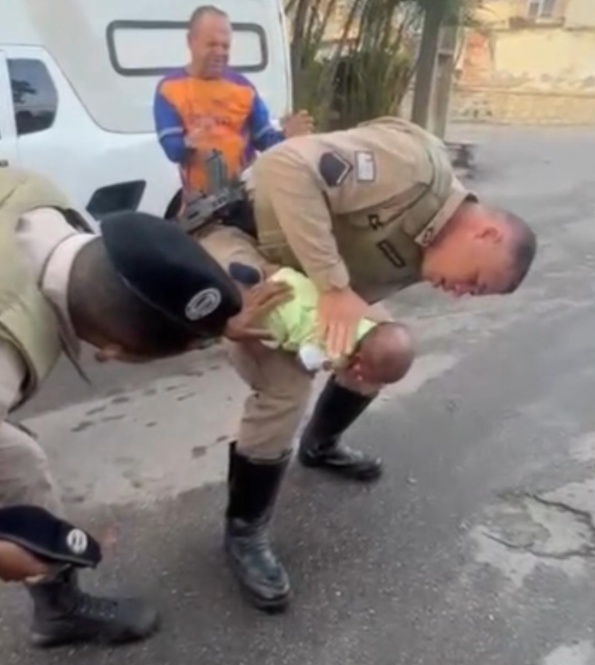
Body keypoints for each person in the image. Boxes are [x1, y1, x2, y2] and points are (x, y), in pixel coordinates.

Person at [187, 114, 538, 613]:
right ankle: (244, 530)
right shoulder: (412, 171)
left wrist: (346, 331)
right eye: (474, 283)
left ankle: (321, 444)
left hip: (309, 275)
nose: (460, 295)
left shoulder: (438, 243)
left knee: (387, 347)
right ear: (485, 235)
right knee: (285, 385)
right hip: (245, 238)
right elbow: (287, 165)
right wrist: (332, 287)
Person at [0, 167, 270, 646]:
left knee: (18, 461)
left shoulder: (34, 197)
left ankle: (55, 608)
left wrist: (217, 317)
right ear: (113, 353)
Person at [154, 5, 312, 198]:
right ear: (191, 41)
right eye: (211, 44)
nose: (220, 52)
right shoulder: (169, 89)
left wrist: (286, 136)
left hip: (245, 196)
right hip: (200, 206)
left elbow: (265, 141)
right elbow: (172, 150)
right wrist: (188, 143)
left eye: (225, 45)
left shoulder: (244, 88)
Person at [229, 262, 414, 384]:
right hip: (283, 314)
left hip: (296, 285)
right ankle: (236, 290)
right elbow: (307, 355)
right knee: (268, 324)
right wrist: (311, 367)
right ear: (360, 363)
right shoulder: (338, 352)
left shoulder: (365, 319)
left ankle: (255, 275)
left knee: (289, 284)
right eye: (366, 376)